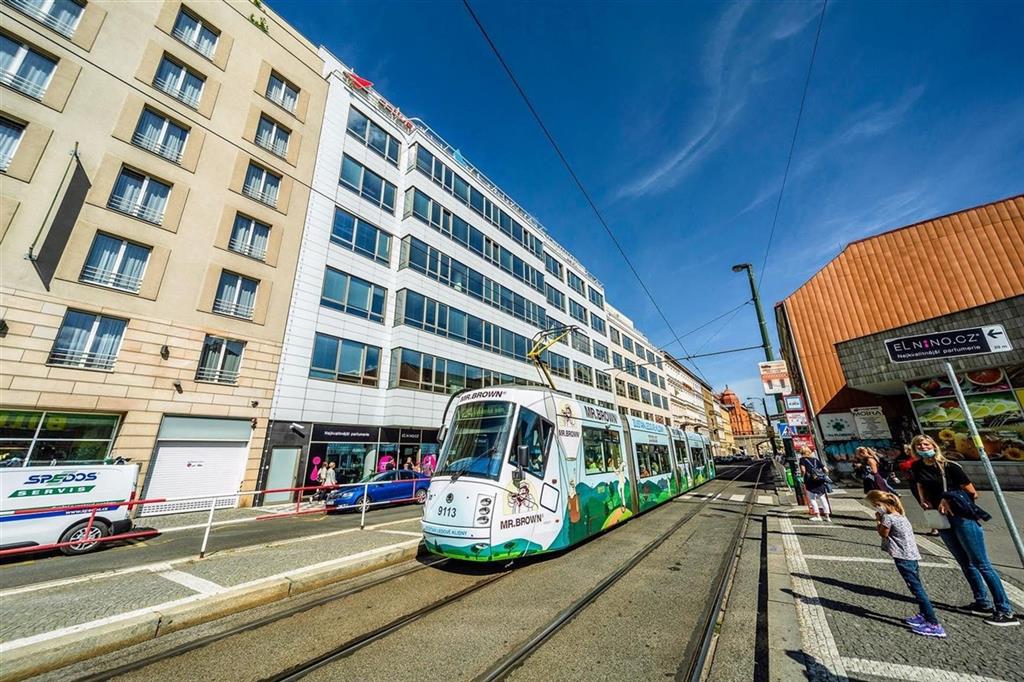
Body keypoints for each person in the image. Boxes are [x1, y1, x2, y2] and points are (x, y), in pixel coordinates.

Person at [911, 435, 1019, 627]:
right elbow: (920, 485)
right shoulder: (918, 467)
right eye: (919, 445)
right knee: (964, 562)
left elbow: (972, 493)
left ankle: (1005, 610)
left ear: (934, 446)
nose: (923, 447)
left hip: (962, 517)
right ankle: (982, 602)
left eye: (926, 444)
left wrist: (948, 498)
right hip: (942, 519)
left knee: (981, 563)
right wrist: (924, 500)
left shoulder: (950, 466)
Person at [866, 490, 946, 638]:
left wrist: (878, 520)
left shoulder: (888, 518)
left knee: (917, 590)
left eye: (876, 505)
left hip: (902, 557)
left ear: (881, 504)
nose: (876, 508)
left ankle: (933, 624)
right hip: (912, 555)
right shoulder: (901, 515)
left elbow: (883, 533)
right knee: (917, 586)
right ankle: (923, 615)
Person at [798, 447, 832, 522]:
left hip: (810, 481)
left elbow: (803, 470)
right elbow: (826, 470)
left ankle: (818, 516)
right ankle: (827, 516)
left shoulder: (802, 460)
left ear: (801, 453)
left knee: (812, 498)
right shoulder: (816, 460)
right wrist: (824, 476)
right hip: (819, 481)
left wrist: (802, 477)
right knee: (822, 498)